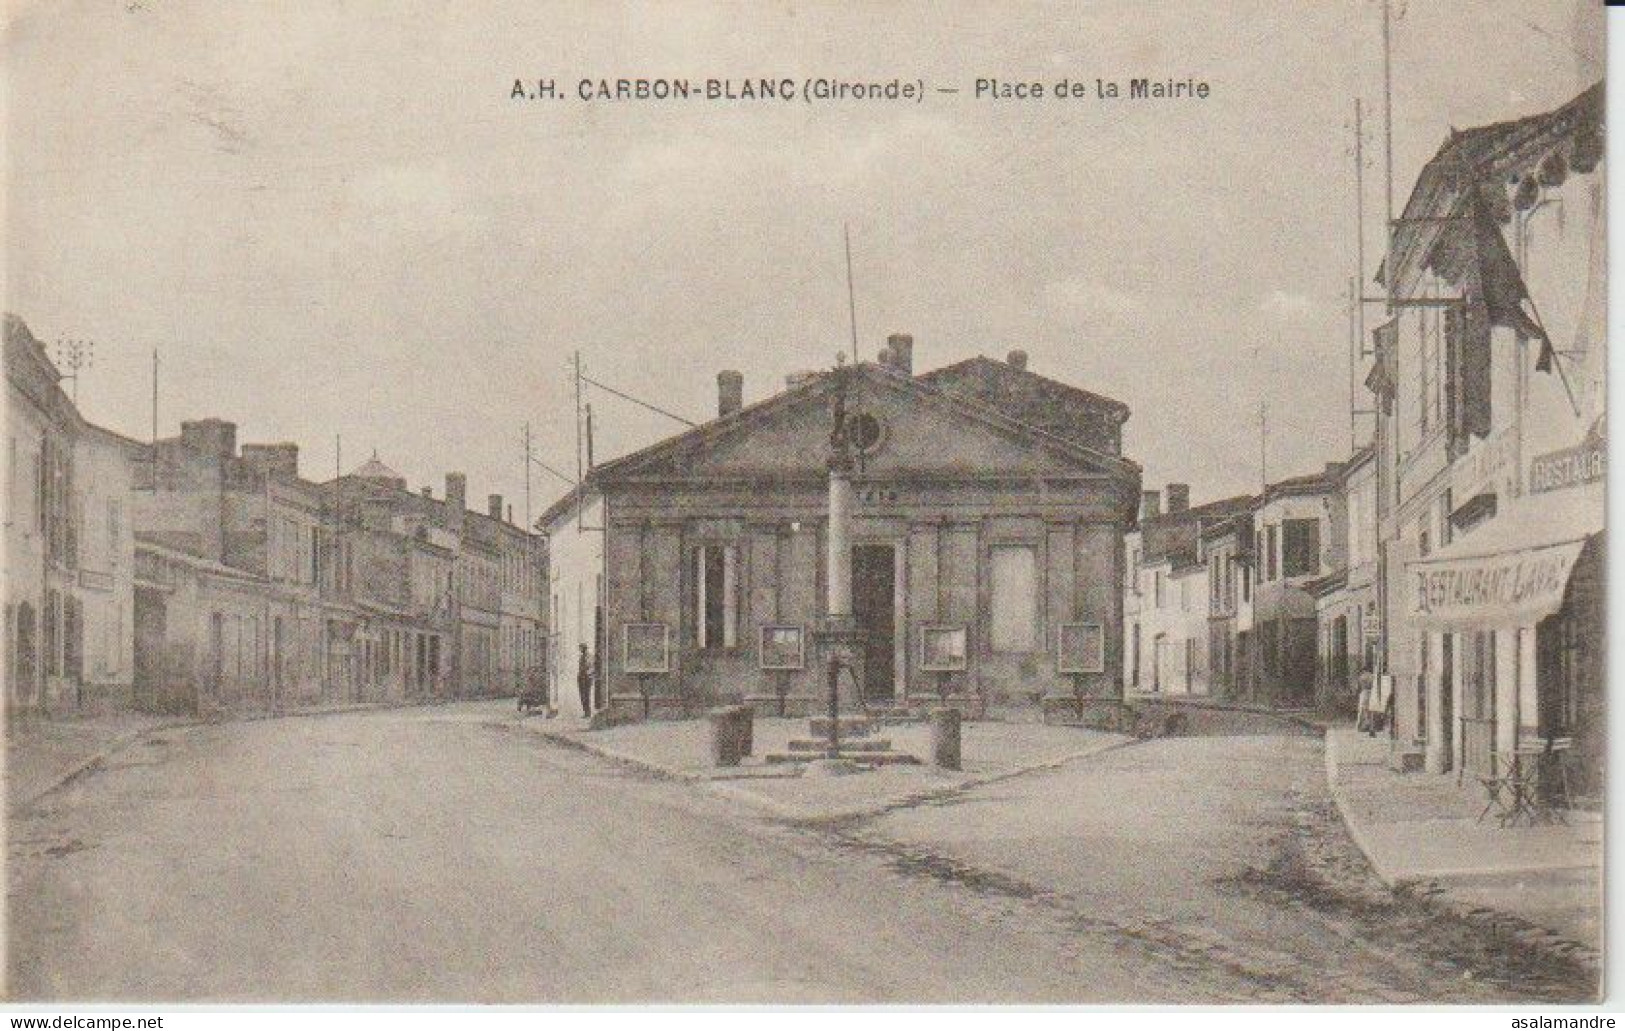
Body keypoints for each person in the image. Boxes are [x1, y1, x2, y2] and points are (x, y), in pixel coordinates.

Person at [576, 643, 594, 718]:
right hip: (581, 678)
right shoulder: (581, 657)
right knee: (582, 695)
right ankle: (585, 711)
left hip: (586, 678)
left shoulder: (589, 656)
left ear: (584, 649)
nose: (580, 650)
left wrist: (588, 674)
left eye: (581, 648)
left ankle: (588, 712)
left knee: (586, 695)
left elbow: (592, 667)